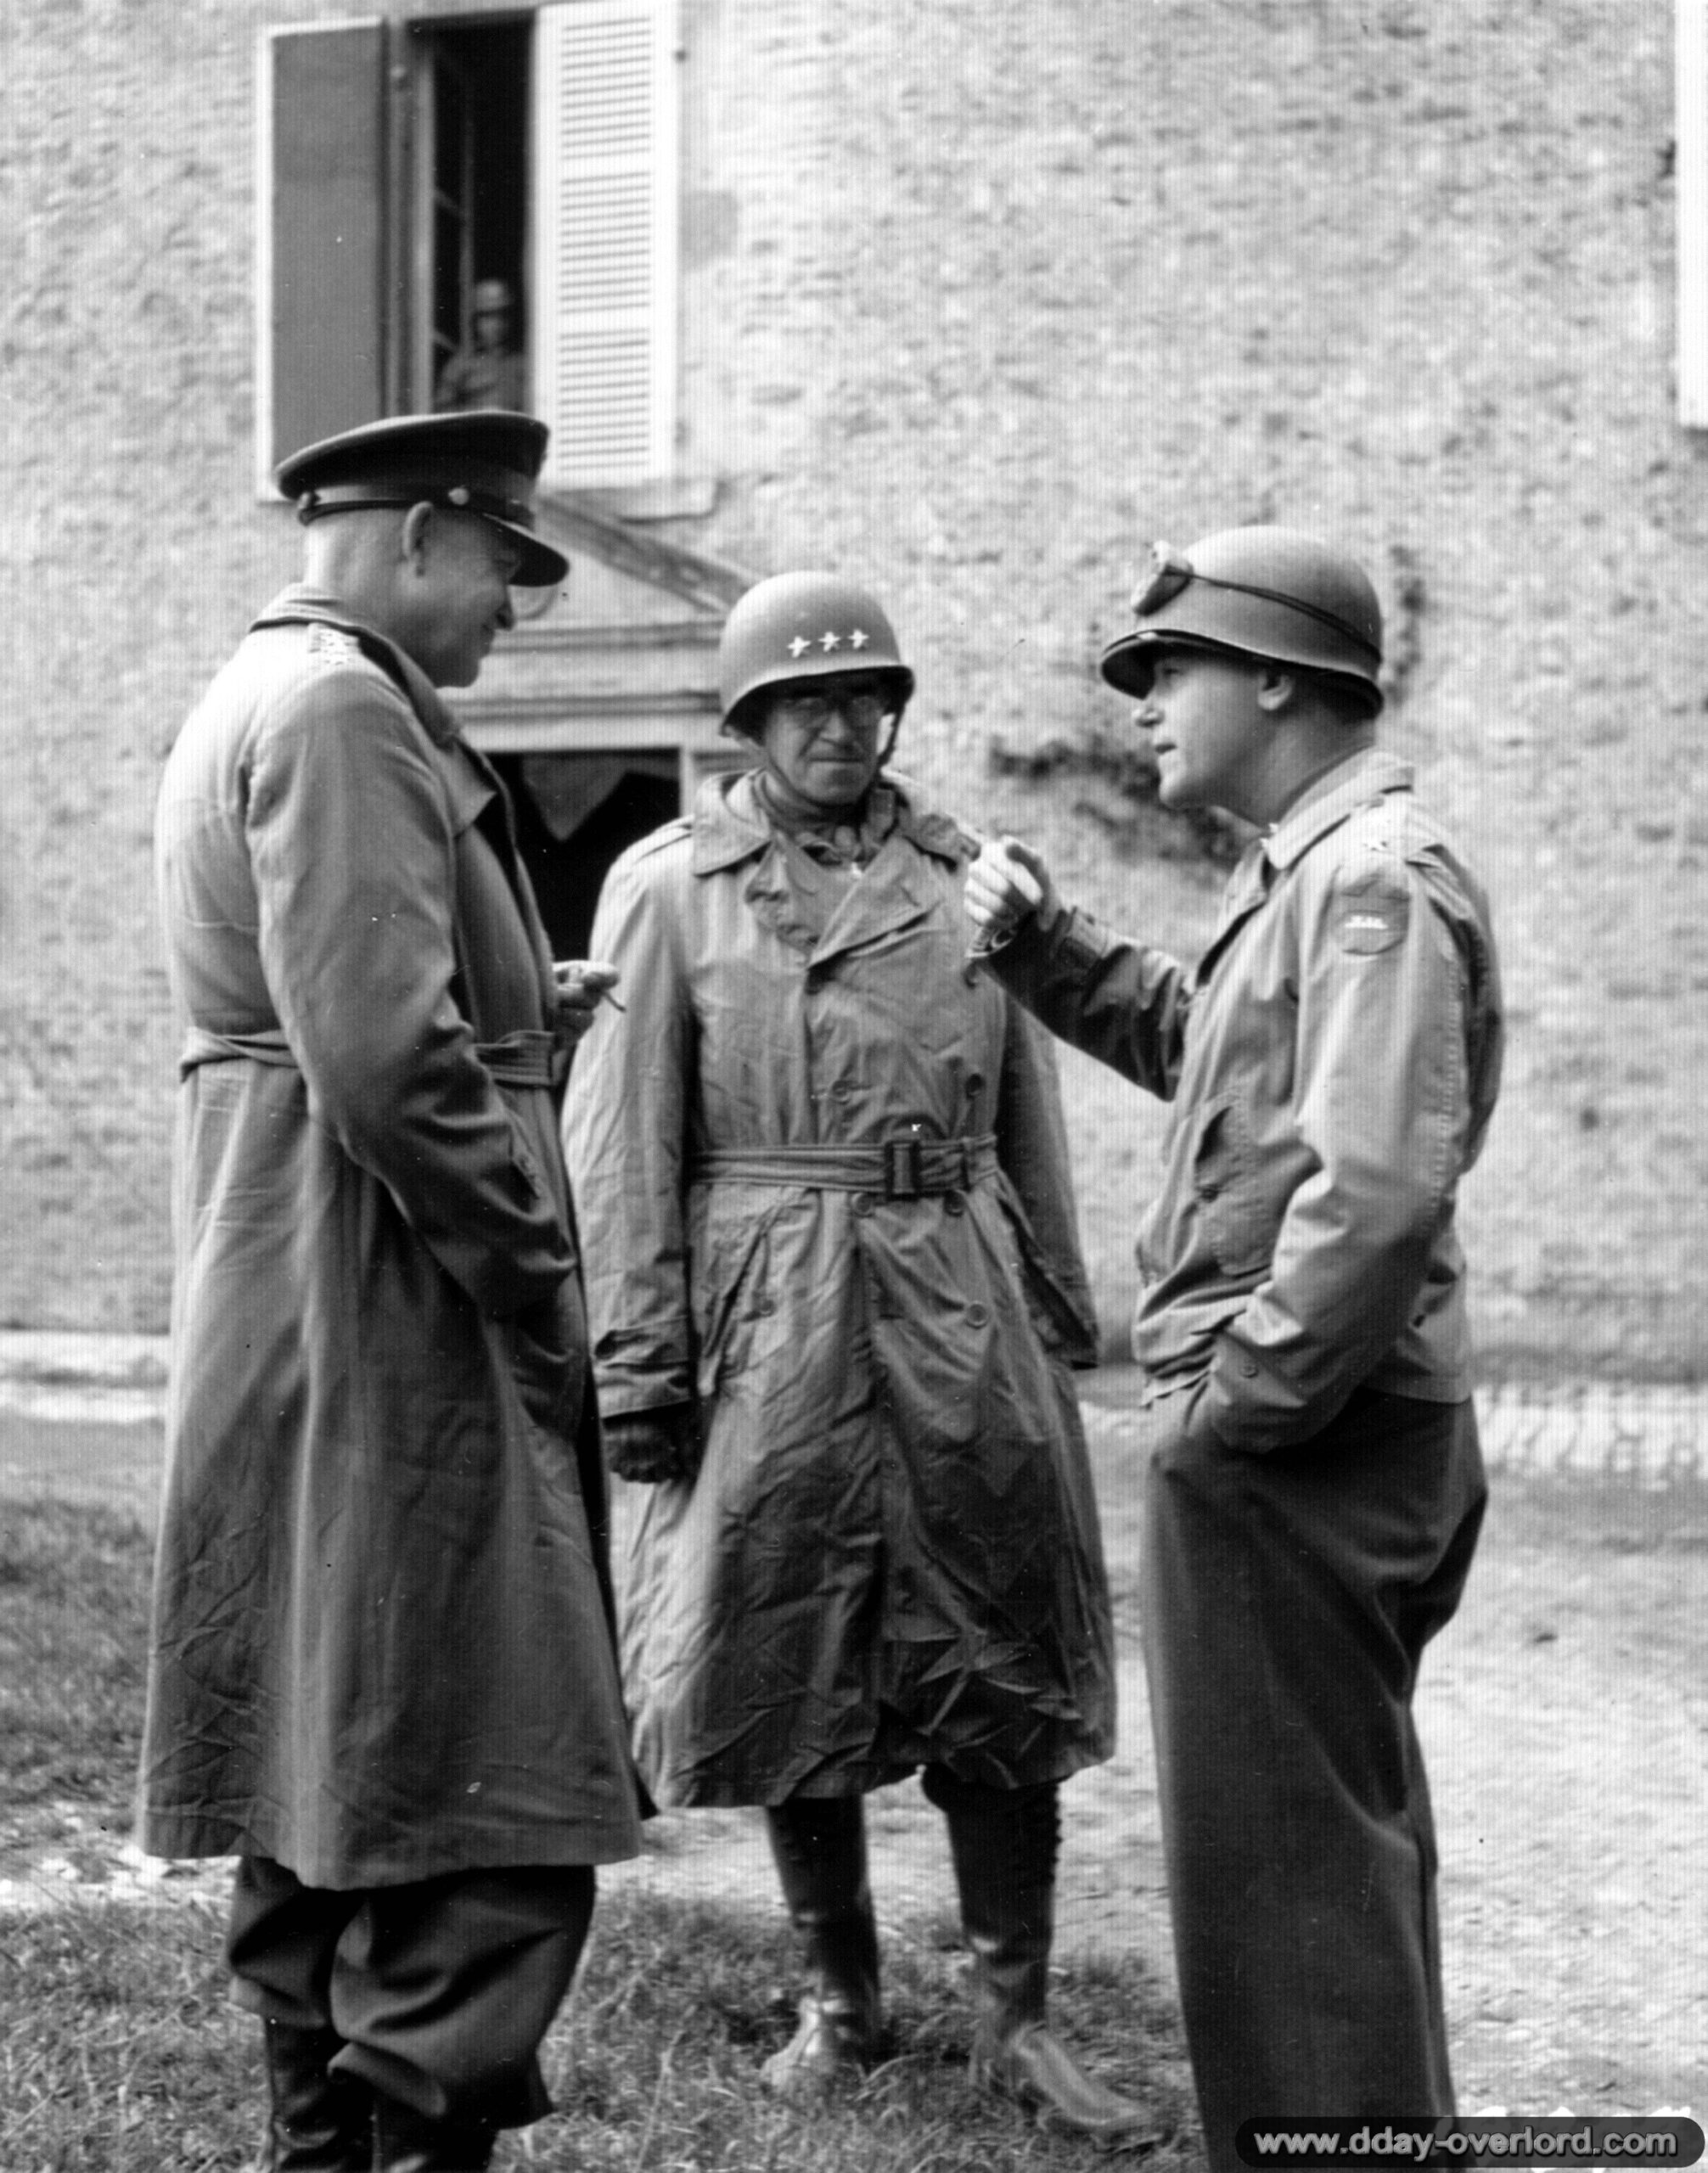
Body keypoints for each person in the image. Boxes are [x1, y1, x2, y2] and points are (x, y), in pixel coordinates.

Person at [562, 570, 1161, 2150]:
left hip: (958, 1288)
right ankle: (841, 2001)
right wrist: (637, 1365)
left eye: (861, 700)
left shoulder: (971, 879)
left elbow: (1024, 1106)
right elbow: (620, 1148)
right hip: (771, 1301)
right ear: (749, 724)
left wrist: (1054, 1304)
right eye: (803, 704)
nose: (837, 727)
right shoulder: (669, 889)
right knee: (787, 1632)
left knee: (1005, 1631)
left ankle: (1017, 2016)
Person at [138, 411, 643, 2173]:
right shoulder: (348, 709)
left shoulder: (261, 690)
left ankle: (321, 2145)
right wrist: (530, 1263)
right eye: (505, 565)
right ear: (424, 534)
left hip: (293, 1265)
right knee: (476, 1758)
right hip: (392, 1289)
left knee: (322, 1736)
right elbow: (378, 1058)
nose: (512, 606)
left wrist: (511, 1006)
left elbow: (319, 999)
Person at [964, 527, 1504, 2172]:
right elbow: (1222, 1065)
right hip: (1312, 1426)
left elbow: (1379, 1189)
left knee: (1286, 1873)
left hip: (1304, 1435)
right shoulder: (1306, 870)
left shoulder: (1364, 880)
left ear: (1275, 680)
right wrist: (1051, 950)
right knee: (1314, 1857)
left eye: (1169, 668)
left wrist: (1236, 1406)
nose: (1142, 704)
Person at [434, 278, 529, 415]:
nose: (496, 324)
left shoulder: (526, 361)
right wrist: (478, 414)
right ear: (476, 321)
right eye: (488, 317)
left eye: (502, 315)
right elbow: (442, 411)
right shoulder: (461, 364)